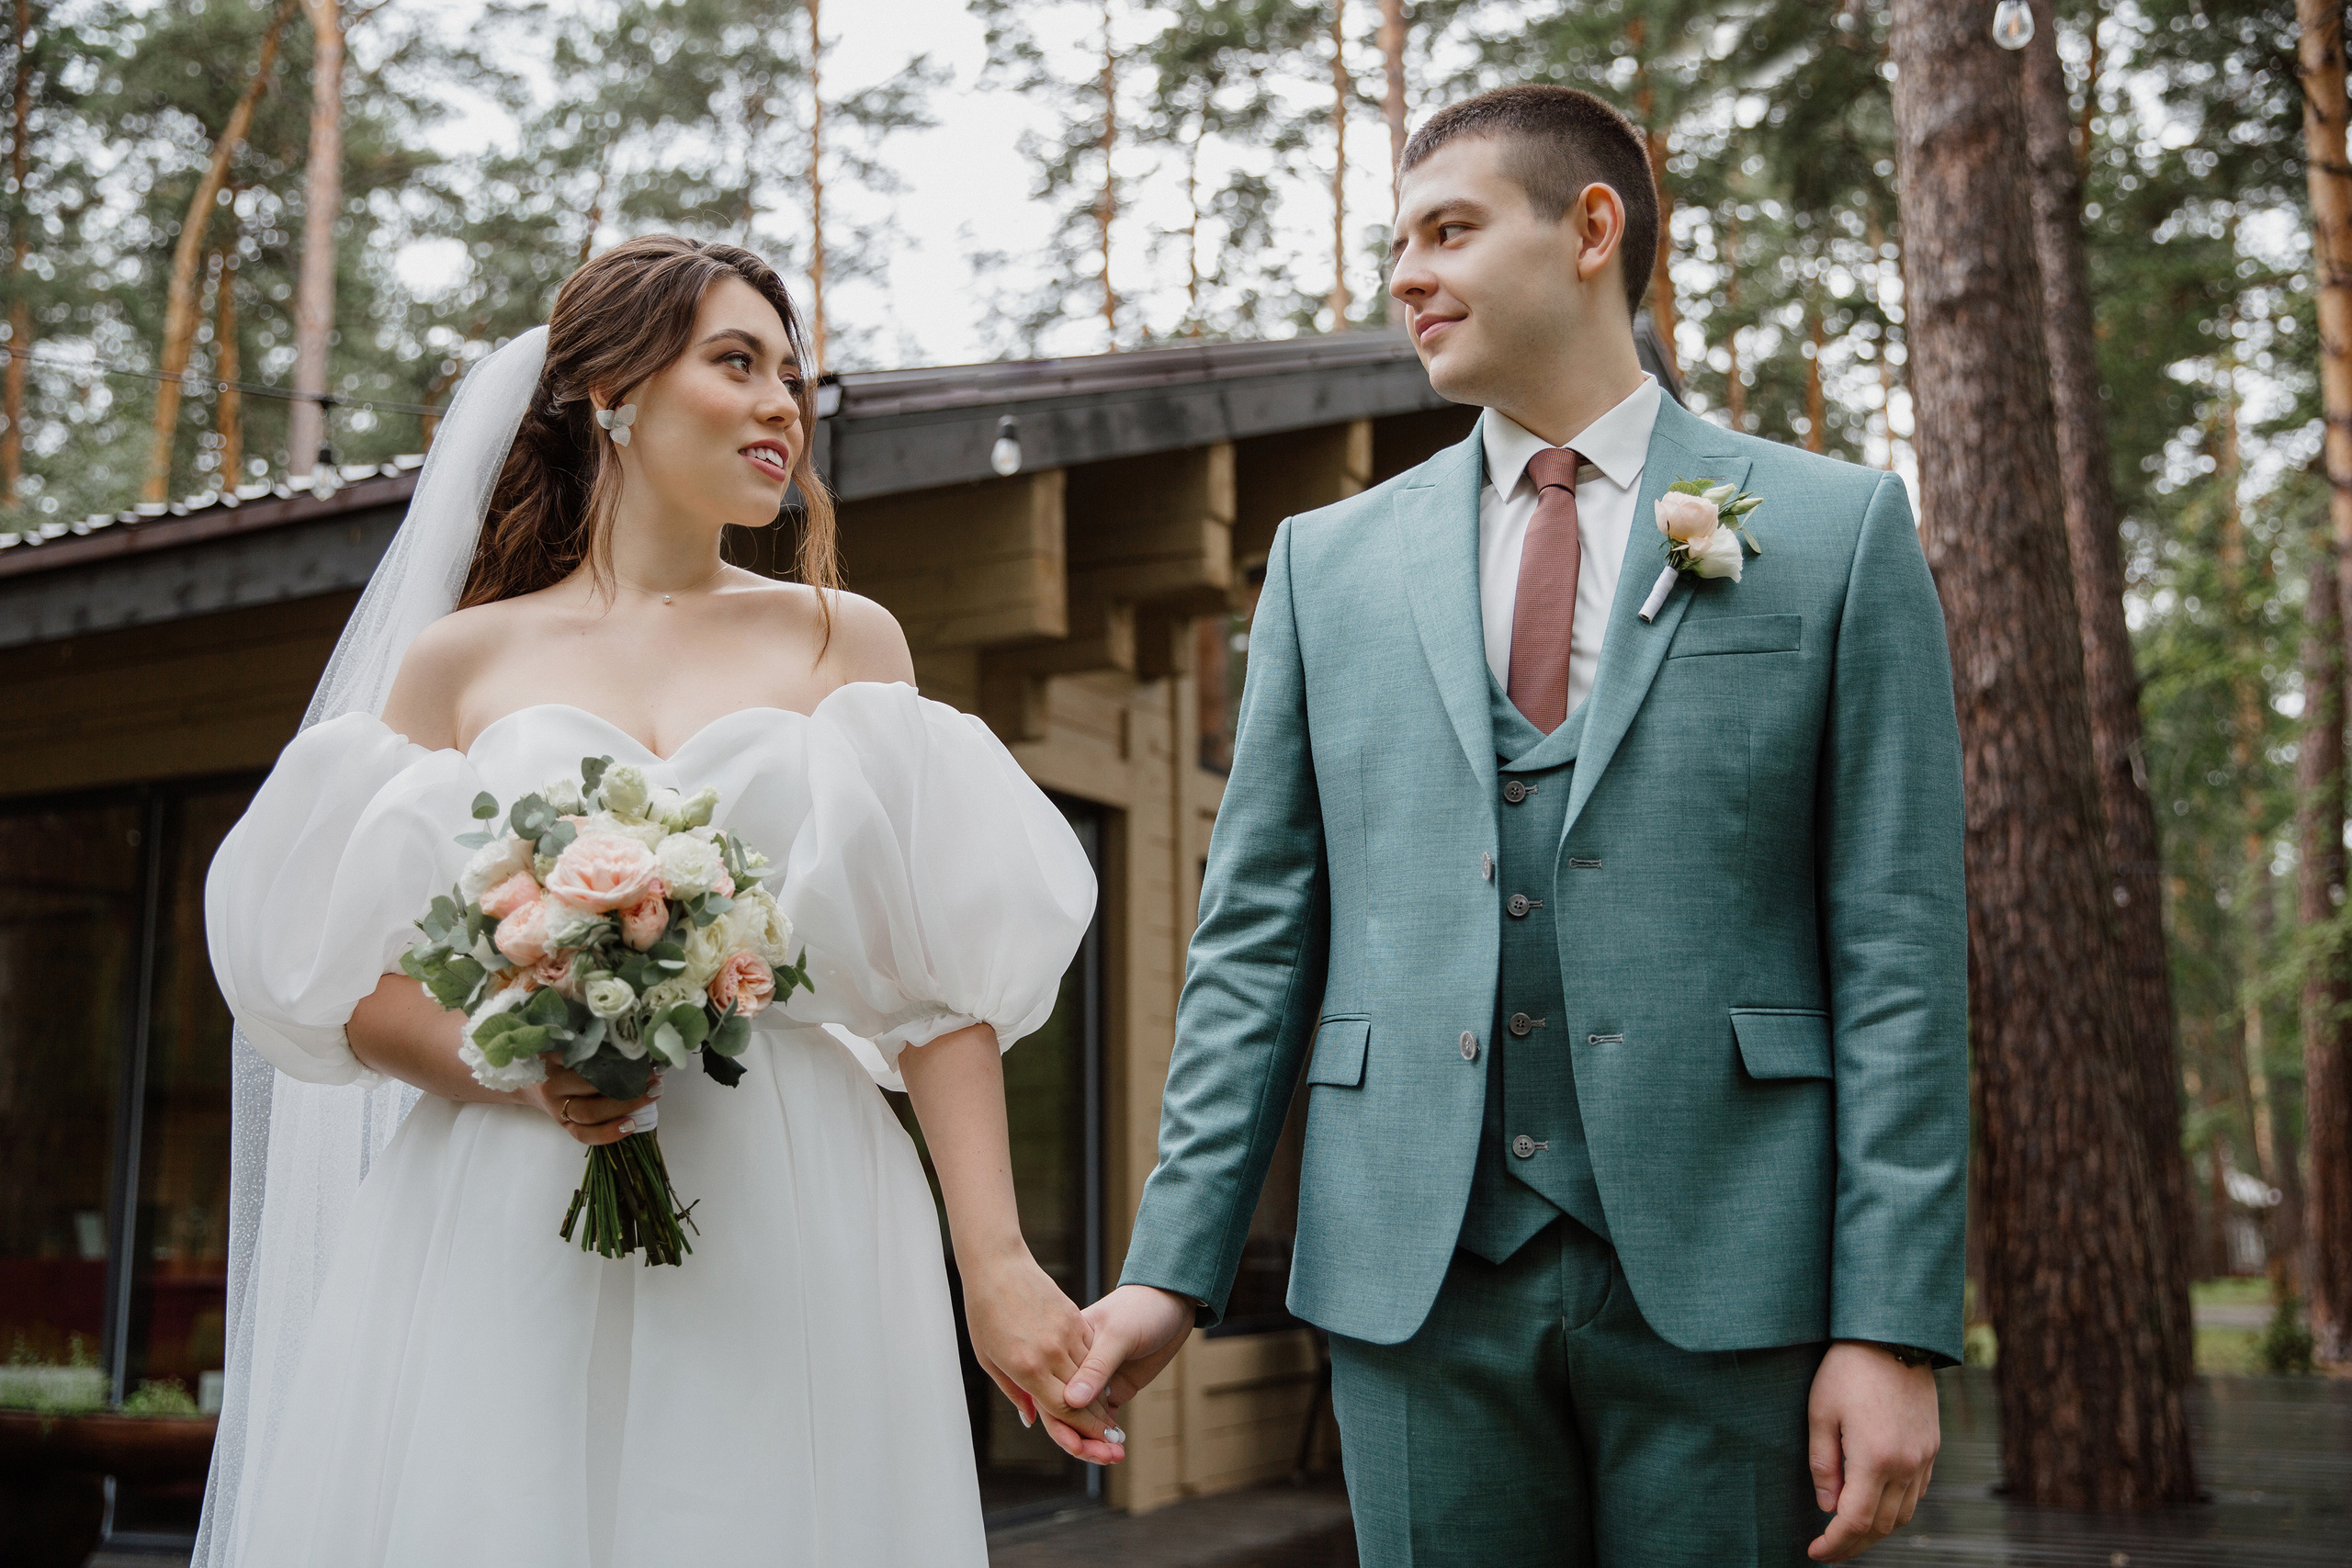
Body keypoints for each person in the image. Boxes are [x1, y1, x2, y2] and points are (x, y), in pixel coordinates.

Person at [1069, 84, 1967, 1566]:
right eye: (1397, 242)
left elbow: (1900, 951)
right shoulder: (1324, 566)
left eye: (1451, 230)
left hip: (1742, 1277)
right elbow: (1253, 946)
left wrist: (1892, 1325)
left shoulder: (1833, 529)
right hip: (1418, 1282)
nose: (1405, 275)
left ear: (1591, 231)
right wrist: (1173, 1269)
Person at [199, 235, 1120, 1568]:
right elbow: (348, 987)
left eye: (794, 378)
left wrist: (997, 1265)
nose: (781, 407)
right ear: (613, 395)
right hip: (506, 1198)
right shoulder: (458, 662)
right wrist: (505, 1067)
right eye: (736, 364)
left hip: (789, 1191)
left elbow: (932, 991)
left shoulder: (842, 641)